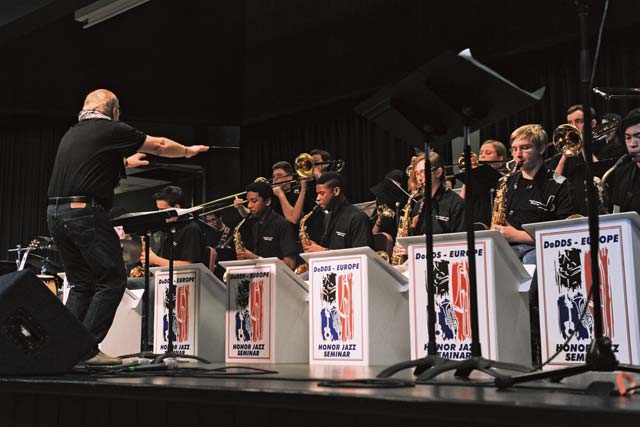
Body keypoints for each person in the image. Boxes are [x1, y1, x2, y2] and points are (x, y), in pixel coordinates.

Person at [47, 89, 208, 365]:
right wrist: (186, 151)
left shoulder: (73, 132)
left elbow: (90, 163)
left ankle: (64, 350)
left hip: (56, 213)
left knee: (82, 283)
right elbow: (157, 145)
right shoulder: (110, 128)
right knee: (111, 279)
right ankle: (85, 350)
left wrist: (124, 162)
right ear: (115, 111)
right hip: (85, 212)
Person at [491, 124, 577, 366]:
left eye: (525, 148)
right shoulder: (507, 183)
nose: (518, 154)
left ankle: (535, 350)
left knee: (529, 269)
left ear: (540, 149)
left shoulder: (559, 184)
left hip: (540, 250)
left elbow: (563, 232)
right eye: (514, 149)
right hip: (508, 248)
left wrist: (517, 236)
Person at [235, 181, 298, 270]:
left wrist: (256, 258)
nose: (249, 206)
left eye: (254, 201)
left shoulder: (282, 224)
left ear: (267, 202)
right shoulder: (256, 225)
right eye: (248, 201)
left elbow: (290, 264)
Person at [302, 172, 372, 252]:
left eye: (322, 193)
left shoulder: (357, 218)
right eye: (317, 194)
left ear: (336, 191)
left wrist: (323, 251)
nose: (317, 198)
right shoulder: (328, 216)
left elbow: (361, 256)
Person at [142, 186, 206, 267]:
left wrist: (155, 260)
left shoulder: (191, 229)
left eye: (162, 210)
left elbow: (189, 265)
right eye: (158, 209)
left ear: (176, 207)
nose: (159, 213)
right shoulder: (167, 228)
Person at [411, 151, 465, 236]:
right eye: (417, 173)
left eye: (423, 172)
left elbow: (460, 241)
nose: (419, 178)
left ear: (438, 172)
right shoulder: (418, 205)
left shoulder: (456, 204)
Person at [459, 140, 508, 228]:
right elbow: (461, 202)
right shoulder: (475, 176)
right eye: (481, 153)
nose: (483, 156)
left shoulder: (507, 177)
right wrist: (468, 177)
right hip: (475, 223)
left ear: (500, 157)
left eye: (488, 153)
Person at [606, 109, 640, 215]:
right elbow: (617, 211)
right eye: (628, 138)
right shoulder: (621, 174)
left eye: (638, 136)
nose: (632, 144)